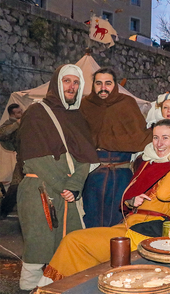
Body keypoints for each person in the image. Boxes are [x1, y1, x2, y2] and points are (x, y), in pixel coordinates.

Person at [38, 120, 170, 285]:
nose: (159, 143)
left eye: (165, 138)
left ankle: (52, 288)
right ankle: (80, 286)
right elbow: (128, 198)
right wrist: (133, 201)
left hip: (148, 233)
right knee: (80, 247)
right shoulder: (149, 163)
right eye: (155, 137)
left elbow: (164, 194)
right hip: (127, 225)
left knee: (74, 241)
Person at [16, 65, 98, 290]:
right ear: (56, 83)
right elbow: (34, 159)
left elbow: (85, 157)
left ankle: (56, 289)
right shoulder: (36, 112)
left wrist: (74, 186)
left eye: (76, 82)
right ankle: (28, 290)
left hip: (67, 193)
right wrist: (64, 186)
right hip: (39, 190)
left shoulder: (77, 117)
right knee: (38, 248)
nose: (72, 86)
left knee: (69, 247)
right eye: (67, 81)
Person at [80, 67, 152, 228]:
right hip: (92, 174)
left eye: (108, 83)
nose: (103, 87)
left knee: (119, 221)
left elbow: (139, 137)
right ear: (93, 85)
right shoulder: (85, 105)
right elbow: (78, 137)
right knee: (91, 218)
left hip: (121, 175)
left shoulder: (126, 103)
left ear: (115, 84)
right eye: (99, 83)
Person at [0, 103, 23, 219]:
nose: (21, 114)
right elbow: (2, 133)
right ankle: (3, 211)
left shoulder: (26, 122)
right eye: (18, 113)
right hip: (22, 160)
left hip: (30, 158)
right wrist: (16, 124)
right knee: (15, 186)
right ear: (12, 115)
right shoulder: (10, 124)